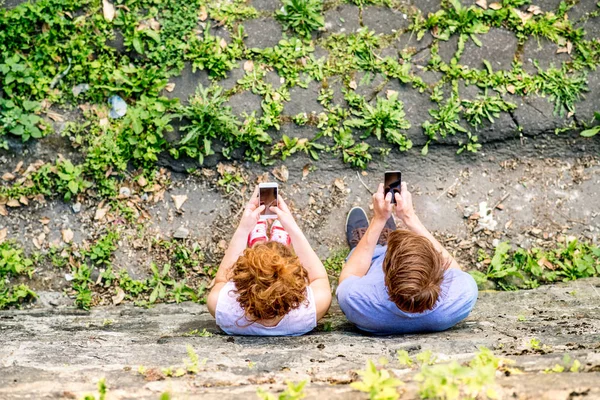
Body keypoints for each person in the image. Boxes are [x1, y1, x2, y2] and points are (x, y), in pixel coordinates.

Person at [337, 182, 478, 335]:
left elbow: (350, 275)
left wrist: (378, 220)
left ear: (386, 272)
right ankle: (384, 238)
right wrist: (410, 218)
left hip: (371, 265)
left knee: (363, 255)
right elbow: (452, 270)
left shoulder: (357, 300)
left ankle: (373, 243)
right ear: (438, 270)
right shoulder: (463, 296)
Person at [207, 187, 331, 336]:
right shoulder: (310, 309)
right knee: (274, 265)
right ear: (297, 283)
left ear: (239, 281)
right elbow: (319, 278)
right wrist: (292, 227)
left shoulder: (221, 307)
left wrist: (243, 229)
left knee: (263, 265)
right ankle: (279, 242)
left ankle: (258, 243)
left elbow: (221, 280)